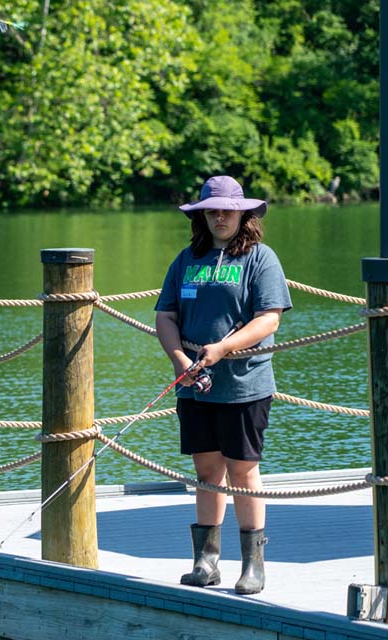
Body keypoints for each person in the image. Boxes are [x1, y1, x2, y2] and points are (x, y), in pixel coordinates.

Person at [154, 175, 291, 595]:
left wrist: (223, 348)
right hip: (194, 384)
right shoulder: (186, 260)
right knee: (206, 470)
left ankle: (253, 565)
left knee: (242, 471)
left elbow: (269, 318)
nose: (219, 217)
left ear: (242, 213)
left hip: (245, 383)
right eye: (211, 211)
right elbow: (166, 316)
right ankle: (206, 561)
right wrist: (181, 359)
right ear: (201, 217)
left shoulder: (260, 258)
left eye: (227, 210)